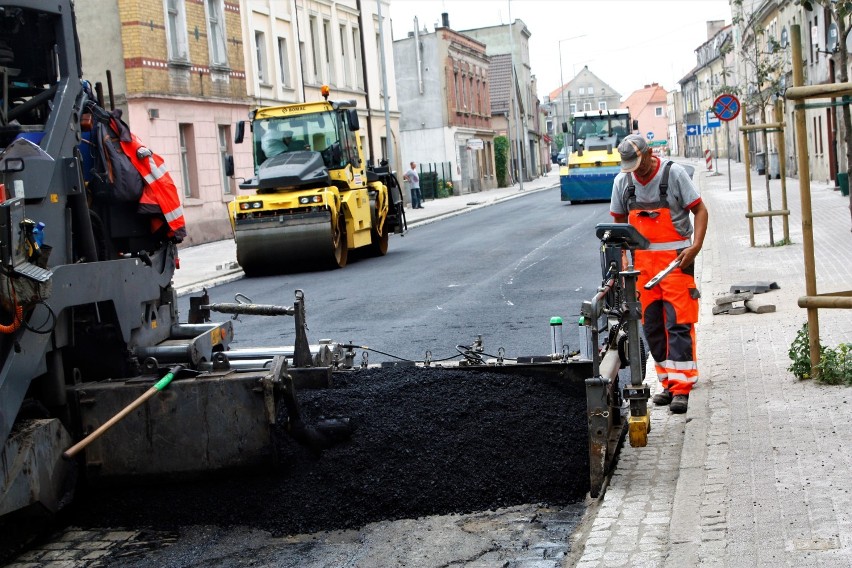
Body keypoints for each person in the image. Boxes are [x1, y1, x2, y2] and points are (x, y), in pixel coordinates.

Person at [610, 134, 708, 414]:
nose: (635, 170)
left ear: (649, 152)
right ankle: (667, 383)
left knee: (678, 323)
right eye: (629, 165)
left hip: (677, 261)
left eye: (638, 163)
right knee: (652, 326)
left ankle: (682, 389)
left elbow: (700, 210)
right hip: (642, 266)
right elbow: (618, 225)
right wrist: (622, 263)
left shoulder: (673, 174)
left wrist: (696, 247)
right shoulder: (623, 182)